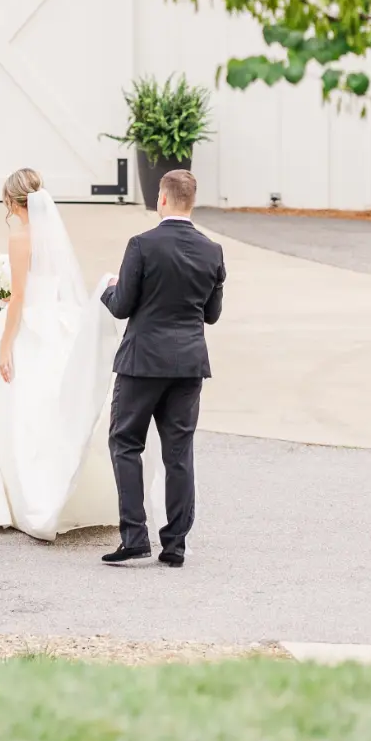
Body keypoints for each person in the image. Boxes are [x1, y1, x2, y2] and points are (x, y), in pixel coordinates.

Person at [0, 167, 120, 540]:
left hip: (28, 326)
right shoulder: (51, 235)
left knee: (10, 410)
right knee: (50, 406)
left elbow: (20, 297)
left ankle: (8, 496)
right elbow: (44, 286)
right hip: (56, 323)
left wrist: (5, 345)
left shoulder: (20, 236)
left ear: (9, 199)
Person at [99, 167, 226, 569]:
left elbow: (122, 306)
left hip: (142, 363)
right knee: (179, 454)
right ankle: (175, 545)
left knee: (125, 443)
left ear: (164, 199)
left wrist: (107, 288)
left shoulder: (142, 245)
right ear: (192, 200)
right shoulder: (212, 251)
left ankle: (135, 536)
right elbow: (212, 315)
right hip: (188, 364)